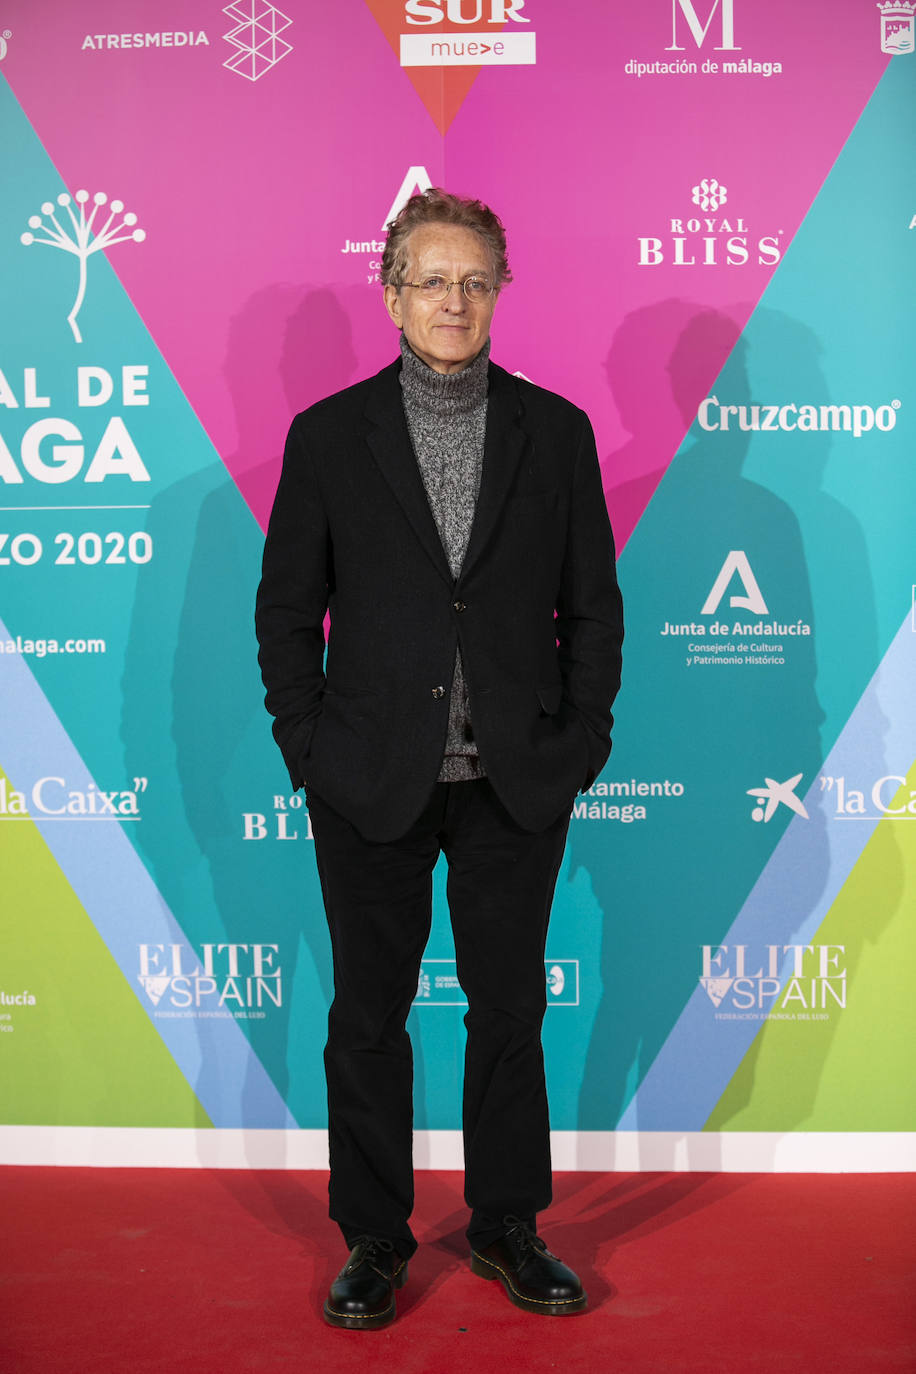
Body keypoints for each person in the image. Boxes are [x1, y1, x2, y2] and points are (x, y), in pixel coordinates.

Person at [255, 188, 623, 1328]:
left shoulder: (552, 433)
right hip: (367, 776)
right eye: (432, 279)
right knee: (367, 1015)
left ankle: (507, 1225)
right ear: (392, 293)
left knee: (508, 1009)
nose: (453, 299)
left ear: (500, 291)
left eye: (474, 280)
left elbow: (594, 610)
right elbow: (285, 613)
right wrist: (308, 746)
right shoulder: (327, 436)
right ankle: (372, 1235)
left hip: (516, 778)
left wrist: (579, 742)